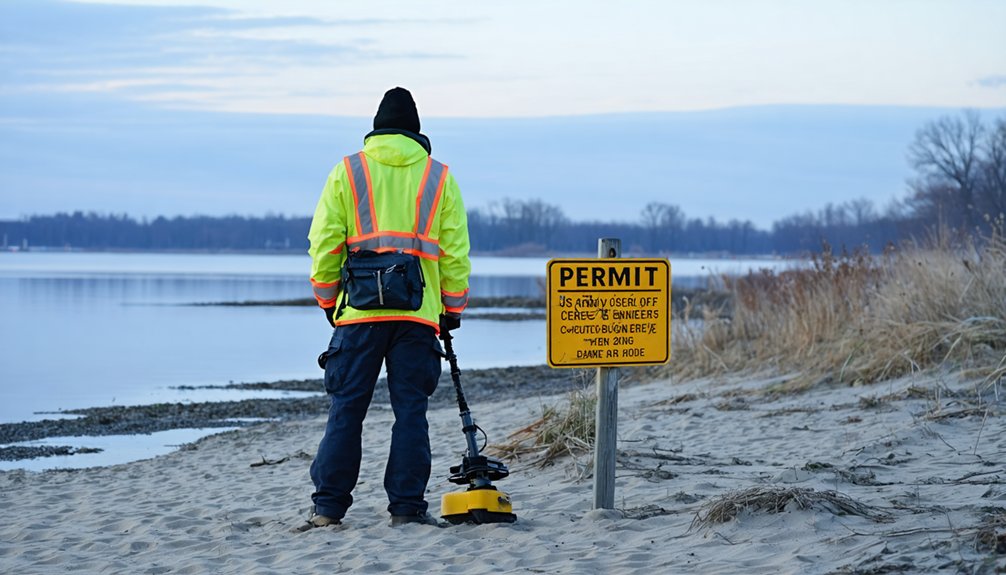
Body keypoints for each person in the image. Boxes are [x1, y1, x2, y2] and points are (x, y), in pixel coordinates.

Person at [301, 87, 471, 530]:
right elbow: (454, 252)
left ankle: (327, 511)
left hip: (358, 315)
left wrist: (327, 299)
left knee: (346, 410)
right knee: (411, 413)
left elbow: (323, 242)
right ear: (416, 132)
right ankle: (407, 509)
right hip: (417, 316)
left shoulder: (348, 171)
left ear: (376, 129)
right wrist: (452, 309)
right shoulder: (438, 177)